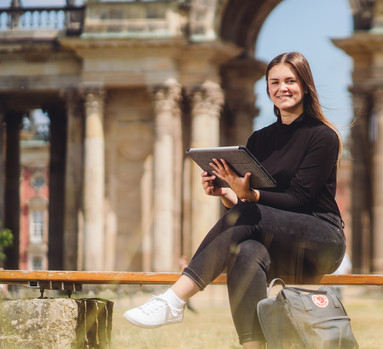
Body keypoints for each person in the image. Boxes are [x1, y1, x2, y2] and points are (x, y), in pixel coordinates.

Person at [123, 51, 347, 349]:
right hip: (276, 242)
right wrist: (228, 193)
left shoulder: (323, 136)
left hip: (321, 239)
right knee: (246, 251)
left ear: (305, 86)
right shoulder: (259, 140)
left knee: (250, 215)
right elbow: (256, 210)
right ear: (267, 88)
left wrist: (250, 196)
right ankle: (253, 346)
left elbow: (299, 198)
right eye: (275, 82)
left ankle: (174, 299)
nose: (283, 88)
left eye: (291, 81)